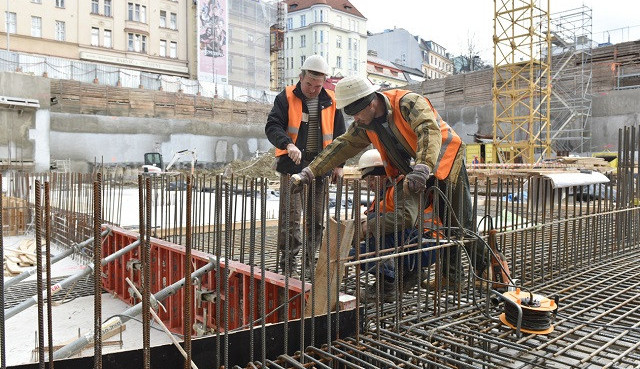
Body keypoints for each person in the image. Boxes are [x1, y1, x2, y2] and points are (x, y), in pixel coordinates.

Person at [292, 75, 487, 289]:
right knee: (445, 224)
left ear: (371, 102)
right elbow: (342, 146)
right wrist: (310, 172)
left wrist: (422, 166)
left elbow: (428, 130)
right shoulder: (367, 124)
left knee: (461, 223)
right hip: (417, 172)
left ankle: (488, 271)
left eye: (357, 112)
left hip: (445, 162)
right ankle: (452, 279)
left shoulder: (408, 103)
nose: (355, 118)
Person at [265, 55, 346, 277]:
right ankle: (288, 267)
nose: (312, 89)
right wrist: (287, 144)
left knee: (316, 219)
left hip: (320, 166)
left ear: (324, 83)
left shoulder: (331, 100)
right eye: (308, 84)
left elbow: (341, 136)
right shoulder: (286, 96)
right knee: (290, 220)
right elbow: (273, 126)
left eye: (317, 86)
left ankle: (311, 268)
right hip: (292, 166)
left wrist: (339, 163)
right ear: (301, 77)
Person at [354, 149, 440, 302]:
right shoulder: (384, 193)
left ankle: (386, 287)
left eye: (371, 180)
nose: (370, 185)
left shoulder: (403, 185)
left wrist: (370, 227)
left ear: (381, 174)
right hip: (413, 244)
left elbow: (404, 218)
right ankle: (411, 273)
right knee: (357, 253)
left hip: (428, 245)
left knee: (370, 237)